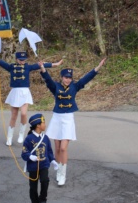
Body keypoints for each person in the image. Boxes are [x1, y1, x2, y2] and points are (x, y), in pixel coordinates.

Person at [39, 58, 106, 186]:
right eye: (66, 77)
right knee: (57, 148)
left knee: (63, 148)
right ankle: (58, 170)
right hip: (57, 118)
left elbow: (87, 77)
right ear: (62, 77)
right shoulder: (55, 86)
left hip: (68, 118)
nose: (68, 79)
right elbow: (47, 78)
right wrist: (42, 67)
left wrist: (98, 66)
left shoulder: (75, 86)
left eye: (70, 78)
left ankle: (63, 174)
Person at [0, 51, 62, 146]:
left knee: (23, 113)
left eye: (24, 60)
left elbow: (41, 65)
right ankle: (9, 137)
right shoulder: (11, 67)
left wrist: (55, 64)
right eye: (20, 60)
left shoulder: (28, 67)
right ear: (16, 59)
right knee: (14, 115)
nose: (22, 62)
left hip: (24, 92)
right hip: (15, 92)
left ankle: (21, 134)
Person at [21, 114, 55, 203]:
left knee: (45, 181)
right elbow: (24, 153)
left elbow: (49, 151)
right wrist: (31, 157)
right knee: (33, 187)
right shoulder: (29, 139)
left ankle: (43, 199)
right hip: (33, 166)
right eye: (43, 123)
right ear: (38, 125)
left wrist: (52, 160)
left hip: (44, 164)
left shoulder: (45, 138)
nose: (45, 125)